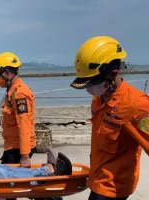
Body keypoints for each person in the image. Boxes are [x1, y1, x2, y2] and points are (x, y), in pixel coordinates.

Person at [70, 36, 149, 200]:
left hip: (114, 187)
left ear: (112, 74)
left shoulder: (136, 104)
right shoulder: (98, 99)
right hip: (98, 179)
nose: (87, 90)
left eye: (91, 83)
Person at [0, 52, 37, 167]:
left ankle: (49, 169)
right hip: (12, 146)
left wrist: (25, 156)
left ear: (7, 72)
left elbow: (24, 125)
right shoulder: (12, 91)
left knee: (11, 182)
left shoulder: (20, 94)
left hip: (18, 149)